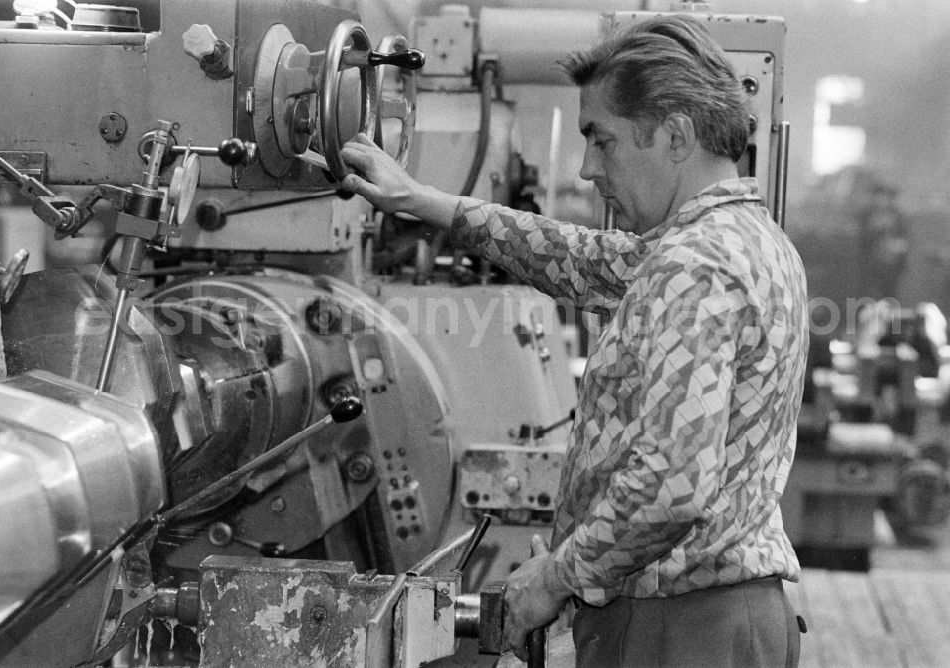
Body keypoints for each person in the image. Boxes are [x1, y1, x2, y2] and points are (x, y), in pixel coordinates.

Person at [341, 14, 807, 667]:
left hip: (673, 629)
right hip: (725, 619)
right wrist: (423, 201)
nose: (588, 168)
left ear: (675, 135)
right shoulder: (752, 242)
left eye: (603, 139)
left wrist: (553, 577)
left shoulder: (693, 266)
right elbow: (582, 259)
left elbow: (672, 484)